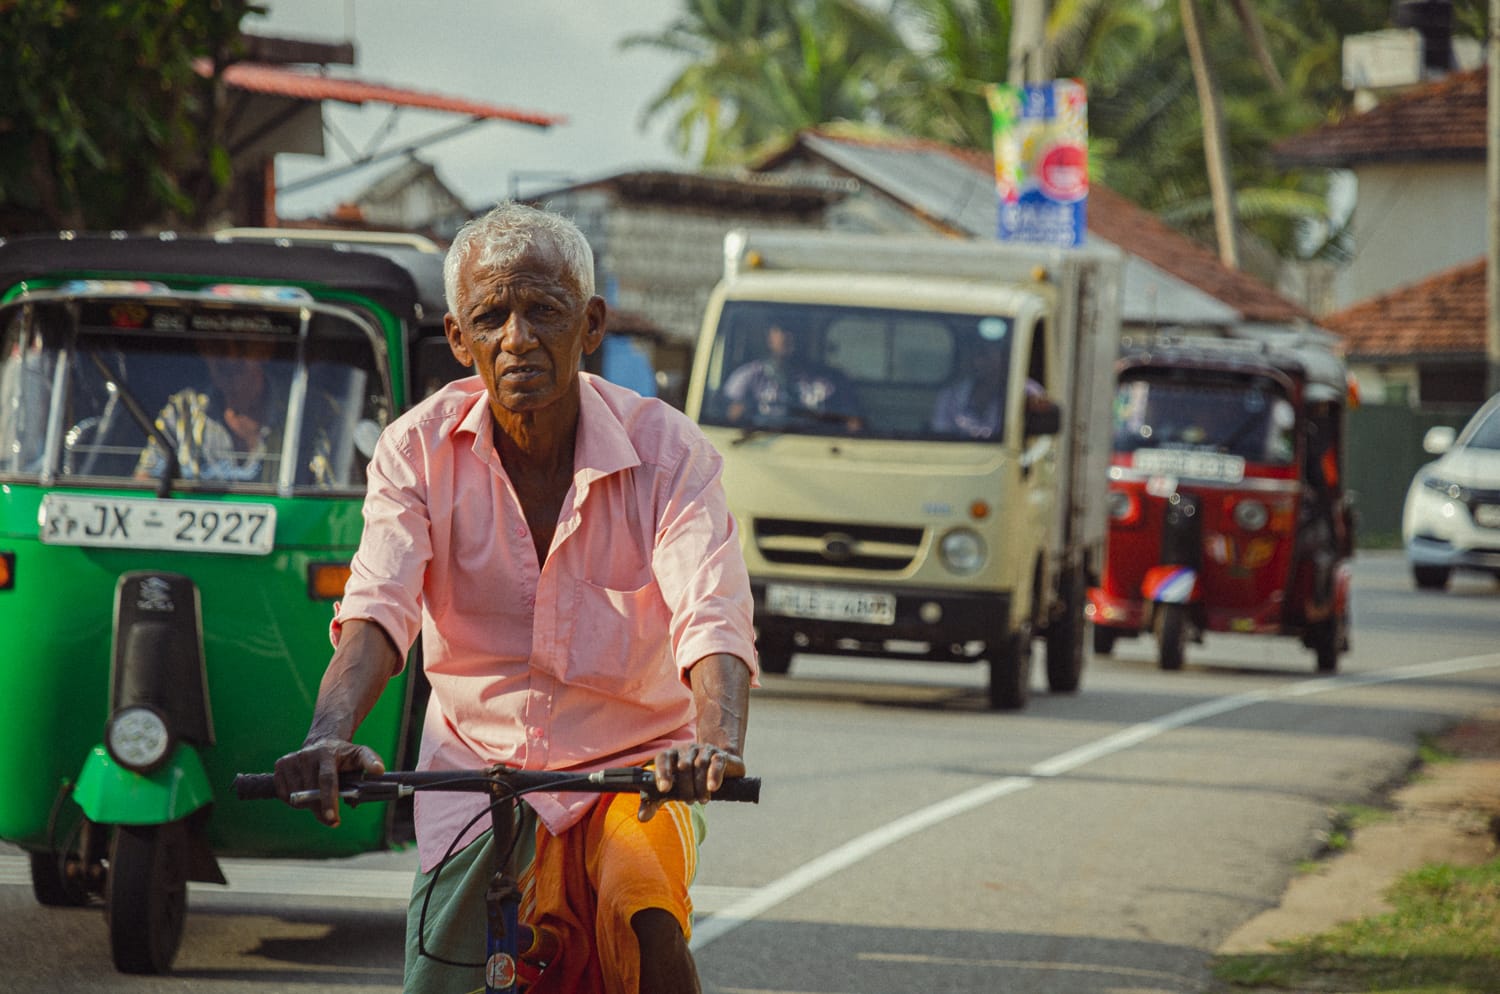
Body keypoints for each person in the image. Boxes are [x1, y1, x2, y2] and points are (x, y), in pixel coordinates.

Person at [272, 202, 758, 994]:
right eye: (491, 318)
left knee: (646, 910)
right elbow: (378, 610)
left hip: (636, 771)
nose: (518, 339)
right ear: (458, 339)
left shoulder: (669, 453)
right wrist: (328, 735)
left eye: (544, 312)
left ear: (591, 325)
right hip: (476, 768)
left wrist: (715, 743)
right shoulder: (415, 450)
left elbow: (713, 614)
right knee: (440, 979)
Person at [134, 337, 283, 482]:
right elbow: (144, 479)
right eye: (218, 345)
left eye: (241, 344)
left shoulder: (293, 410)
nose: (230, 357)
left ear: (265, 349)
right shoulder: (184, 409)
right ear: (204, 350)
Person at [721, 321, 862, 431]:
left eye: (795, 330)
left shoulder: (833, 380)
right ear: (769, 336)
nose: (788, 336)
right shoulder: (748, 377)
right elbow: (730, 423)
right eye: (782, 330)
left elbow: (853, 424)